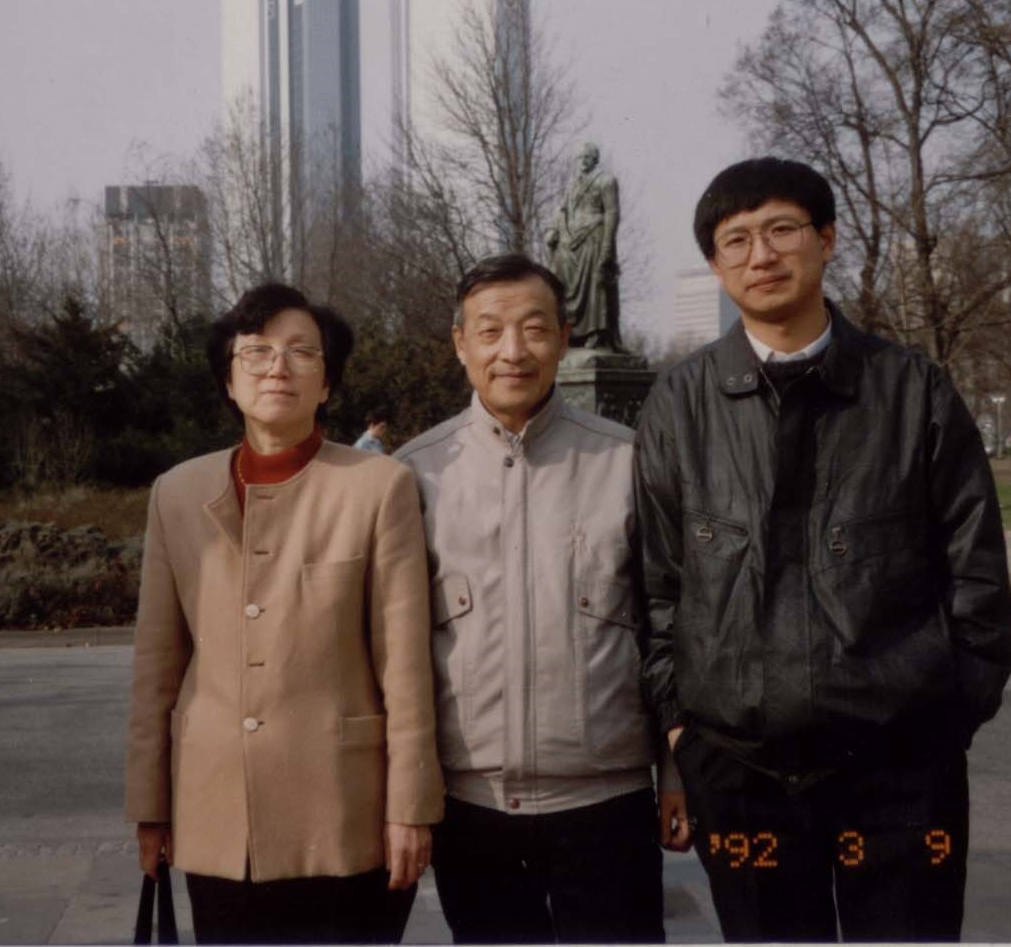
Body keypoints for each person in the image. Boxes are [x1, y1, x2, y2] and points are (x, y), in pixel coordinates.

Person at [634, 158, 1011, 942]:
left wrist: (946, 722)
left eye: (781, 229)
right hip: (739, 772)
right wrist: (681, 732)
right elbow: (657, 585)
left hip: (900, 771)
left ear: (827, 238)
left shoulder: (911, 390)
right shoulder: (678, 404)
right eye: (735, 240)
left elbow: (975, 574)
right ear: (715, 264)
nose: (760, 255)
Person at [124, 283, 443, 944]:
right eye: (257, 351)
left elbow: (406, 665)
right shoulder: (177, 493)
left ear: (327, 383)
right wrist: (150, 809)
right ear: (228, 380)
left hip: (344, 812)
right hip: (216, 812)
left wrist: (410, 807)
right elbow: (157, 667)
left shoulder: (376, 487)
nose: (278, 366)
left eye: (301, 351)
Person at [396, 254, 688, 944]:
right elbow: (395, 657)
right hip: (472, 811)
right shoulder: (413, 475)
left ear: (563, 337)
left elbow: (671, 629)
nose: (512, 351)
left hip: (606, 804)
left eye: (532, 329)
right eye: (489, 331)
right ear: (460, 343)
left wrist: (676, 772)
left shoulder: (628, 462)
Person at [544, 143, 622, 350]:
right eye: (581, 157)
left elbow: (612, 213)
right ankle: (571, 332)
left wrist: (607, 246)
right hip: (570, 240)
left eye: (587, 157)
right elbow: (562, 209)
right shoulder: (573, 183)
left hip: (594, 237)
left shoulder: (606, 181)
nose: (583, 161)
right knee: (563, 282)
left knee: (595, 285)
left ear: (595, 159)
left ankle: (596, 332)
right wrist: (552, 229)